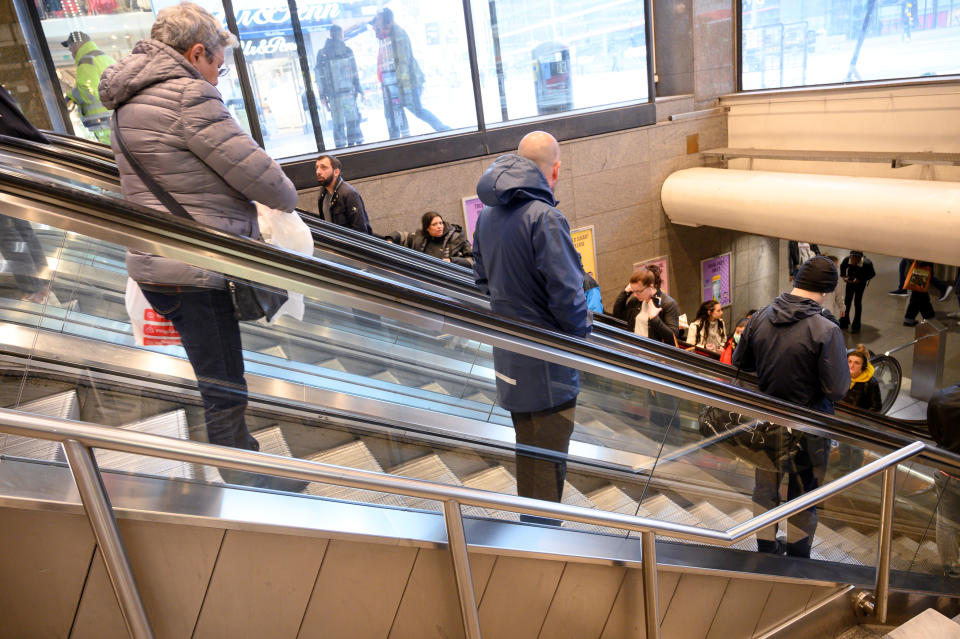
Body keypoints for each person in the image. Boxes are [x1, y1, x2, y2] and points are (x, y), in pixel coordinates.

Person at [99, 2, 304, 491]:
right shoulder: (189, 97)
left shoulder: (129, 99)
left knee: (213, 372)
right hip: (196, 267)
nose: (219, 79)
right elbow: (276, 189)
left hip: (156, 266)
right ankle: (243, 474)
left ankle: (240, 460)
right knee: (223, 382)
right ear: (197, 53)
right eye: (219, 66)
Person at [472, 131, 590, 524]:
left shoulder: (487, 214)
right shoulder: (546, 219)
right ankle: (541, 546)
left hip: (510, 360)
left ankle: (534, 532)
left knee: (530, 452)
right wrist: (582, 329)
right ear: (555, 170)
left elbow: (482, 279)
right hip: (548, 370)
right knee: (549, 464)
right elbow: (569, 302)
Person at [734, 256, 850, 557]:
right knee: (803, 495)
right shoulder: (825, 328)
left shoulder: (760, 316)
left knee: (765, 488)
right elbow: (837, 389)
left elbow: (740, 363)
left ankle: (765, 547)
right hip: (808, 430)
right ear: (825, 290)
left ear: (796, 282)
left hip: (764, 423)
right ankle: (798, 555)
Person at [371, 8, 449, 140]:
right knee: (400, 111)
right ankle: (402, 138)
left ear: (388, 22)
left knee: (418, 110)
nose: (377, 26)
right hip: (401, 82)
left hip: (409, 82)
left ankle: (445, 130)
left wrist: (402, 86)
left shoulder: (398, 35)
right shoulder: (390, 35)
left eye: (379, 22)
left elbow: (403, 61)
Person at [927, 382, 960, 578]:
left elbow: (935, 433)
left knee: (947, 523)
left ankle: (953, 573)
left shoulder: (941, 397)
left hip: (948, 470)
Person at [62, 31, 116, 143]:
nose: (70, 50)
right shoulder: (104, 57)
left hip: (103, 122)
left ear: (77, 44)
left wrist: (70, 97)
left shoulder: (86, 61)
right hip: (113, 116)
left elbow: (87, 89)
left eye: (70, 46)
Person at [315, 24, 363, 148]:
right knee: (352, 120)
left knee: (338, 124)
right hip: (348, 94)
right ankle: (355, 146)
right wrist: (359, 89)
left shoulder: (322, 53)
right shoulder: (347, 51)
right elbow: (354, 72)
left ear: (330, 35)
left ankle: (340, 148)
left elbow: (319, 76)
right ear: (341, 35)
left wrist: (322, 97)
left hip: (333, 96)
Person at [611, 265, 679, 345]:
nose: (635, 295)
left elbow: (672, 338)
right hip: (634, 348)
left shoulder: (668, 303)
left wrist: (655, 319)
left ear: (650, 286)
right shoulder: (635, 301)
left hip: (653, 352)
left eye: (638, 291)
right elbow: (617, 315)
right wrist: (625, 293)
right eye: (633, 291)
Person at [391, 211, 472, 267]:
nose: (439, 226)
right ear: (427, 228)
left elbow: (473, 260)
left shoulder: (457, 238)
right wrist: (390, 239)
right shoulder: (420, 237)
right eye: (434, 224)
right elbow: (401, 236)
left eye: (441, 223)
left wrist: (451, 261)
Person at [315, 154, 372, 234]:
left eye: (323, 167)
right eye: (317, 167)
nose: (318, 172)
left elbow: (361, 230)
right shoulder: (322, 193)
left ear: (336, 172)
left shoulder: (349, 194)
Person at [838, 250, 875, 333]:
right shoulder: (847, 259)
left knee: (857, 303)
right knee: (847, 301)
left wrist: (861, 279)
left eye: (856, 260)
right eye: (852, 259)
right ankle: (844, 321)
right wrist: (844, 276)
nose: (853, 261)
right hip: (850, 281)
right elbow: (842, 266)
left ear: (860, 258)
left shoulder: (867, 263)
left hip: (861, 283)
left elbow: (872, 274)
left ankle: (856, 325)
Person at [842, 345, 882, 412]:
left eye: (856, 363)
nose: (851, 366)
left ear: (862, 367)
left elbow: (876, 407)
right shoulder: (840, 375)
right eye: (849, 361)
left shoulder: (870, 383)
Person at [903, 260, 936, 326]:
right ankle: (930, 319)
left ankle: (909, 319)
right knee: (920, 294)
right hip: (920, 269)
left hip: (918, 268)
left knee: (919, 294)